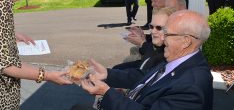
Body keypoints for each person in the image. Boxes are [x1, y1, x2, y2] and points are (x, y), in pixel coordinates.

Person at [72, 10, 213, 110]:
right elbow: (145, 76)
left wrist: (107, 93)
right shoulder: (179, 60)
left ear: (186, 41)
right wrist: (107, 74)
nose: (161, 37)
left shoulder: (190, 87)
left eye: (166, 33)